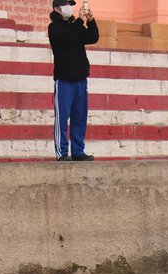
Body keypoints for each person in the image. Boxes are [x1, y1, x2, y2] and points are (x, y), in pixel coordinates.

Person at [48, 0, 99, 162]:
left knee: (79, 117)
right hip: (64, 80)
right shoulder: (55, 27)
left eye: (71, 4)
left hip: (80, 79)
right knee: (62, 118)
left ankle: (78, 151)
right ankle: (62, 152)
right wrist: (78, 20)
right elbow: (67, 38)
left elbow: (92, 37)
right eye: (66, 5)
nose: (69, 8)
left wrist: (90, 21)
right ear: (57, 9)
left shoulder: (74, 25)